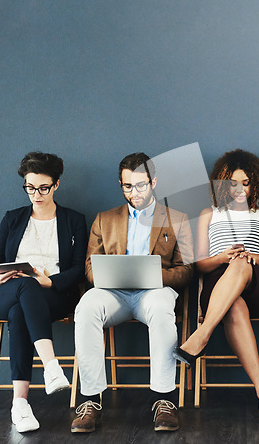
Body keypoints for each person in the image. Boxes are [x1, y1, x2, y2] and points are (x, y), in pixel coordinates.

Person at [71, 152, 193, 434]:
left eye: (140, 185)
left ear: (153, 182)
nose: (134, 192)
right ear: (120, 183)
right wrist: (105, 277)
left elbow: (186, 271)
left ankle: (164, 400)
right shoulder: (105, 219)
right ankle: (90, 401)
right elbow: (89, 266)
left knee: (163, 308)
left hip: (154, 293)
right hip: (113, 294)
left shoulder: (177, 219)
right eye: (127, 186)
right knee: (86, 306)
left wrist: (151, 275)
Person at [173, 149, 259, 428]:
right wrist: (224, 257)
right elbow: (200, 264)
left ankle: (201, 335)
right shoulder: (209, 213)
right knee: (233, 304)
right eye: (233, 183)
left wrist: (247, 257)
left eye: (246, 182)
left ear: (257, 183)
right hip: (219, 286)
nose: (240, 189)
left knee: (242, 264)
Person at [0, 152, 87, 433]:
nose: (36, 194)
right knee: (24, 286)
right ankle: (51, 366)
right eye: (30, 187)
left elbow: (79, 268)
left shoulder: (73, 220)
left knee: (20, 309)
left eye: (43, 188)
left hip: (52, 294)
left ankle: (19, 404)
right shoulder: (12, 219)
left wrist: (50, 281)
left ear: (56, 184)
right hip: (6, 291)